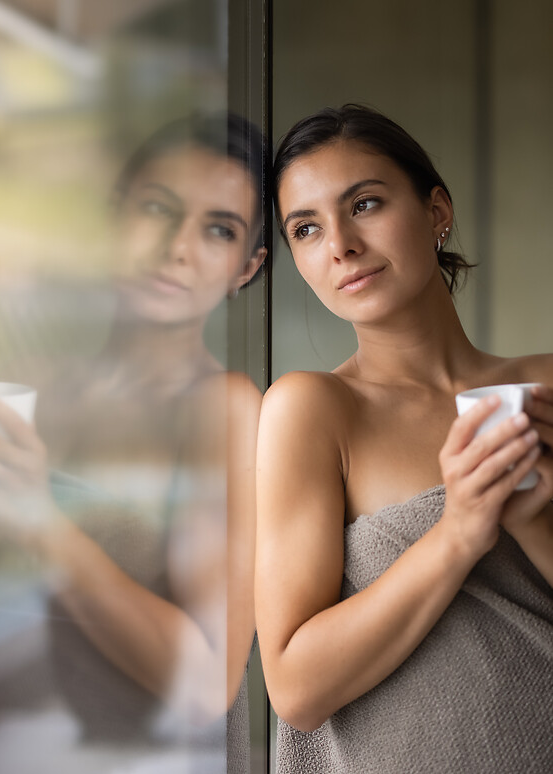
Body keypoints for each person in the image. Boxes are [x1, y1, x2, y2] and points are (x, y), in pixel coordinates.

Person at [0, 112, 267, 772]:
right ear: (115, 215)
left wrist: (38, 520)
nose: (177, 248)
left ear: (246, 267)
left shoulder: (221, 409)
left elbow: (204, 685)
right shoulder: (33, 383)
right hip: (2, 736)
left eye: (217, 230)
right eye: (156, 209)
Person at [255, 104, 553, 773]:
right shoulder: (312, 410)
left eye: (363, 204)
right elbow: (296, 690)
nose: (340, 244)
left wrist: (534, 525)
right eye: (306, 228)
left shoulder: (544, 389)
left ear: (436, 210)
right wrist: (458, 532)